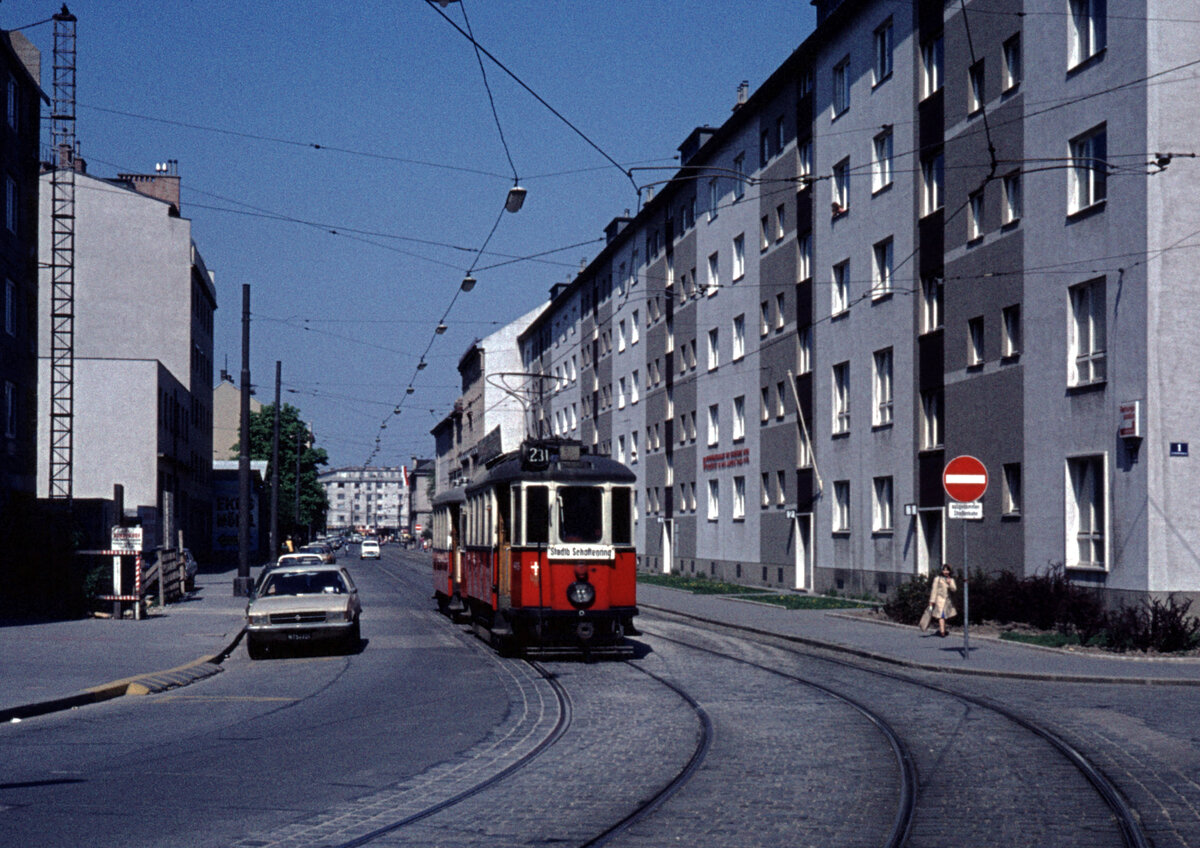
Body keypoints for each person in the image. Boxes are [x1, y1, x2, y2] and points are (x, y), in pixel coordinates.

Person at [928, 564, 958, 637]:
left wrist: (949, 583)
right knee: (941, 616)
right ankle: (942, 632)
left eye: (947, 570)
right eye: (944, 570)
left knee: (945, 616)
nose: (946, 572)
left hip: (947, 601)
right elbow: (934, 590)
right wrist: (932, 601)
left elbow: (954, 589)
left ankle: (943, 629)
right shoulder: (937, 579)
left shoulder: (951, 579)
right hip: (939, 600)